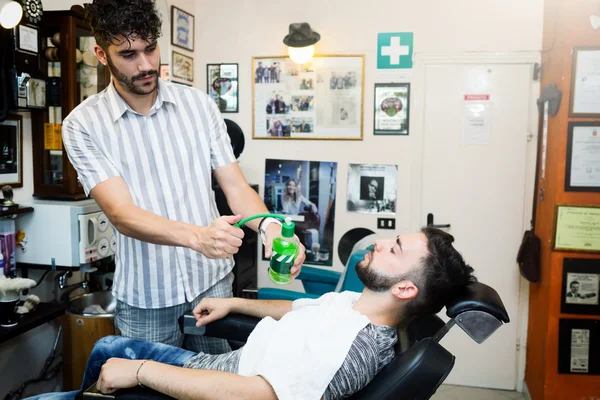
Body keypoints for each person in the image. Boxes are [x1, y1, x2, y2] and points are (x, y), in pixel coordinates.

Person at [61, 0, 306, 354]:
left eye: (150, 49)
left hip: (214, 283)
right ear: (101, 54)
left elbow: (235, 186)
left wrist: (270, 228)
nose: (146, 65)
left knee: (221, 383)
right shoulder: (82, 125)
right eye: (129, 54)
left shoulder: (199, 105)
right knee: (147, 389)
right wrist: (198, 237)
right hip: (146, 295)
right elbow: (121, 213)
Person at [27, 227, 476, 400]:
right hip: (226, 365)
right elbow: (297, 307)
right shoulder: (355, 306)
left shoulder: (350, 349)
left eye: (394, 249)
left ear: (405, 287)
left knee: (110, 358)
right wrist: (235, 302)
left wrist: (141, 372)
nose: (380, 241)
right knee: (108, 348)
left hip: (230, 384)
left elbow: (254, 395)